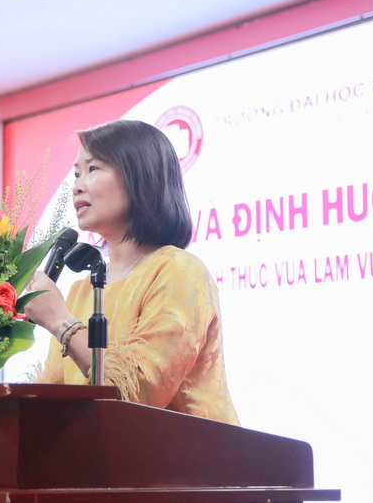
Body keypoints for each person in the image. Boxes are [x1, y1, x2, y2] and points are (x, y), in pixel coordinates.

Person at [25, 119, 239, 425]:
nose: (77, 187)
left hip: (186, 452)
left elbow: (140, 390)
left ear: (139, 175)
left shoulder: (179, 270)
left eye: (93, 169)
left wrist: (61, 322)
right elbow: (57, 397)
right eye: (76, 174)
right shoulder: (81, 290)